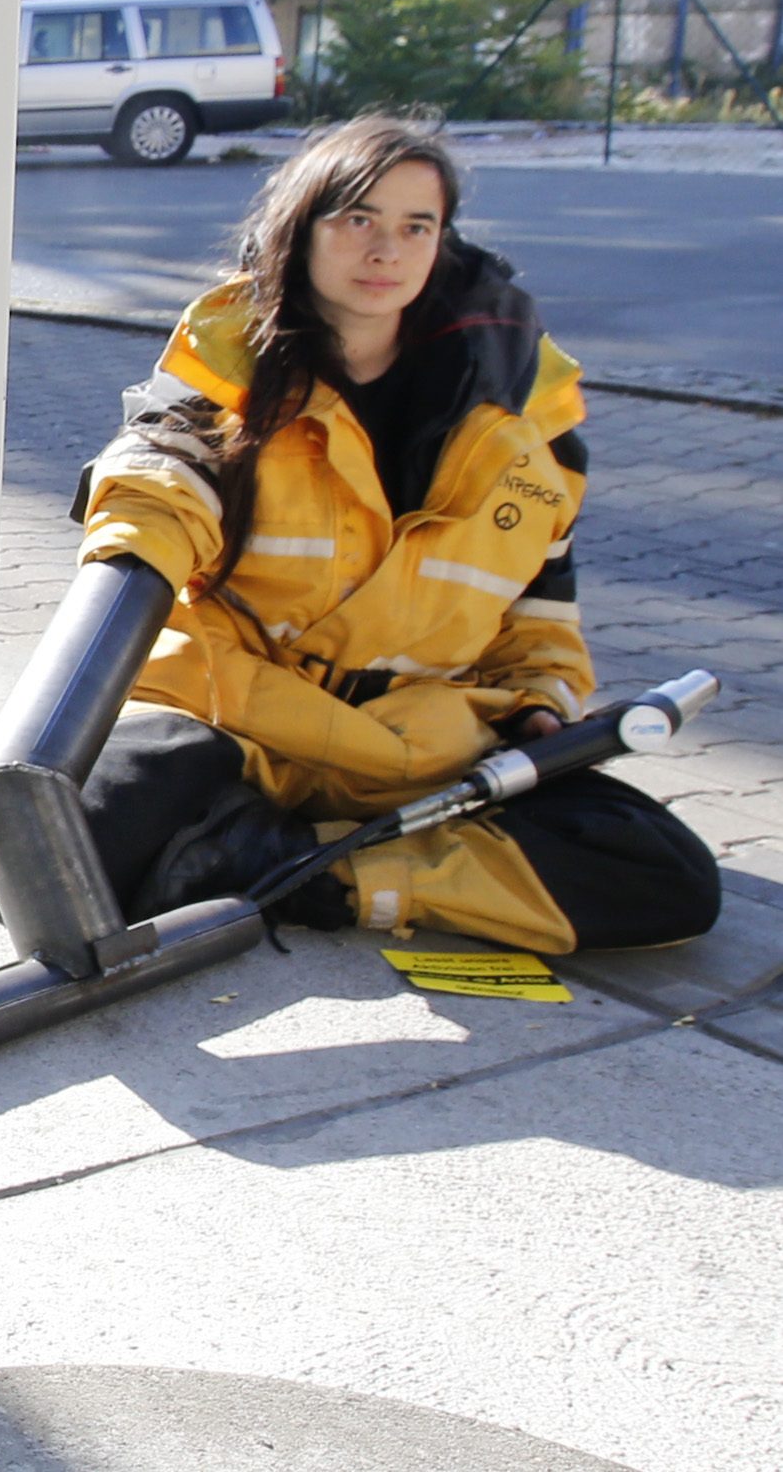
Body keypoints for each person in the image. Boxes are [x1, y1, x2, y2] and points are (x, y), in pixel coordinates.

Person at [72, 114, 716, 952]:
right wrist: (128, 545)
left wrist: (540, 707)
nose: (387, 251)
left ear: (443, 242)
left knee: (665, 874)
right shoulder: (224, 380)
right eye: (358, 218)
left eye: (417, 226)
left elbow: (541, 616)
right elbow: (155, 487)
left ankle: (310, 873)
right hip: (245, 725)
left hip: (426, 751)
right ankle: (326, 861)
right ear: (300, 229)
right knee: (52, 836)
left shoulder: (526, 423)